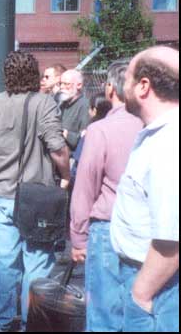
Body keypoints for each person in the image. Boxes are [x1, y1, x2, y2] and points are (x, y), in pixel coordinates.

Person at [0, 51, 71, 332]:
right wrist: (66, 176)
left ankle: (2, 322)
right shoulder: (44, 103)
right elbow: (58, 149)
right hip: (38, 198)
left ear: (6, 76)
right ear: (34, 75)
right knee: (36, 264)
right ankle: (29, 323)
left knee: (6, 262)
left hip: (5, 196)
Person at [69, 60, 143, 331]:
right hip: (149, 232)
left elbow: (85, 187)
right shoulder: (154, 128)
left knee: (103, 315)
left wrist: (78, 237)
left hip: (107, 230)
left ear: (110, 88)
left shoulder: (100, 130)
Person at [111, 46, 179, 332]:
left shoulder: (168, 144)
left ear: (143, 86)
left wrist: (141, 294)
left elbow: (171, 240)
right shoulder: (161, 135)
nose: (120, 86)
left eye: (125, 78)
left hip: (157, 287)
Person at [70, 92, 113, 182]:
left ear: (94, 111)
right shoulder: (113, 130)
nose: (88, 111)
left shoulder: (90, 133)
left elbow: (79, 163)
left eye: (90, 108)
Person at [59, 69, 91, 153]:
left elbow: (84, 138)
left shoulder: (85, 105)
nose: (62, 87)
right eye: (60, 84)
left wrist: (64, 132)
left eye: (66, 84)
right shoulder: (61, 104)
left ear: (79, 85)